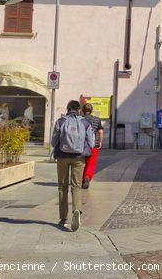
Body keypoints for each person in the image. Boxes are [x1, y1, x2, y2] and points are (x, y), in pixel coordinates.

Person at [50, 99, 94, 231]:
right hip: (79, 158)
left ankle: (63, 218)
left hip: (62, 157)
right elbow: (91, 143)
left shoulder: (60, 121)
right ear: (79, 110)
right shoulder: (86, 123)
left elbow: (53, 142)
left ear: (67, 109)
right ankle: (77, 210)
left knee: (62, 186)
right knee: (76, 186)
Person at [81, 102, 104, 189]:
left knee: (81, 163)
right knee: (91, 163)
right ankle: (87, 177)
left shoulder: (80, 119)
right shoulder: (97, 120)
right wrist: (100, 142)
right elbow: (101, 132)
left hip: (82, 145)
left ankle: (80, 179)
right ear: (91, 111)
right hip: (93, 145)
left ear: (83, 111)